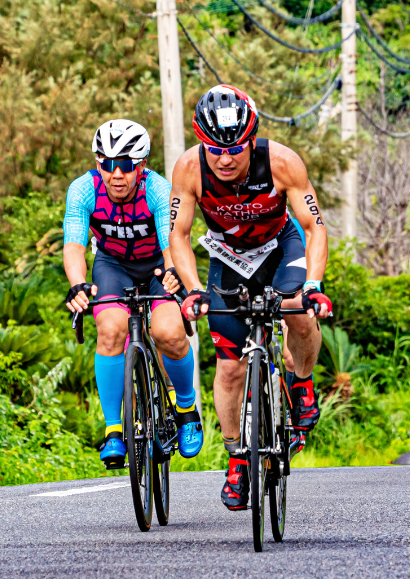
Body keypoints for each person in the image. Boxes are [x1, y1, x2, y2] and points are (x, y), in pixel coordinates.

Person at [168, 84, 331, 511]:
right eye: (214, 148)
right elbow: (179, 236)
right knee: (229, 367)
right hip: (227, 259)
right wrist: (193, 291)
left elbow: (315, 228)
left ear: (251, 137)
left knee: (297, 308)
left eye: (236, 148)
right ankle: (238, 456)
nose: (225, 158)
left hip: (281, 249)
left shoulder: (282, 162)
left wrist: (313, 284)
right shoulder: (188, 168)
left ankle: (301, 382)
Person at [62, 119, 203, 469]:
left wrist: (173, 272)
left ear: (140, 166)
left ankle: (186, 410)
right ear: (98, 164)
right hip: (113, 266)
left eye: (124, 165)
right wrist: (78, 284)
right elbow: (74, 245)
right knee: (110, 330)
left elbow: (172, 241)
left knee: (168, 333)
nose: (115, 174)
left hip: (156, 266)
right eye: (106, 165)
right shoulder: (83, 190)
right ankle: (114, 431)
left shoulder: (158, 189)